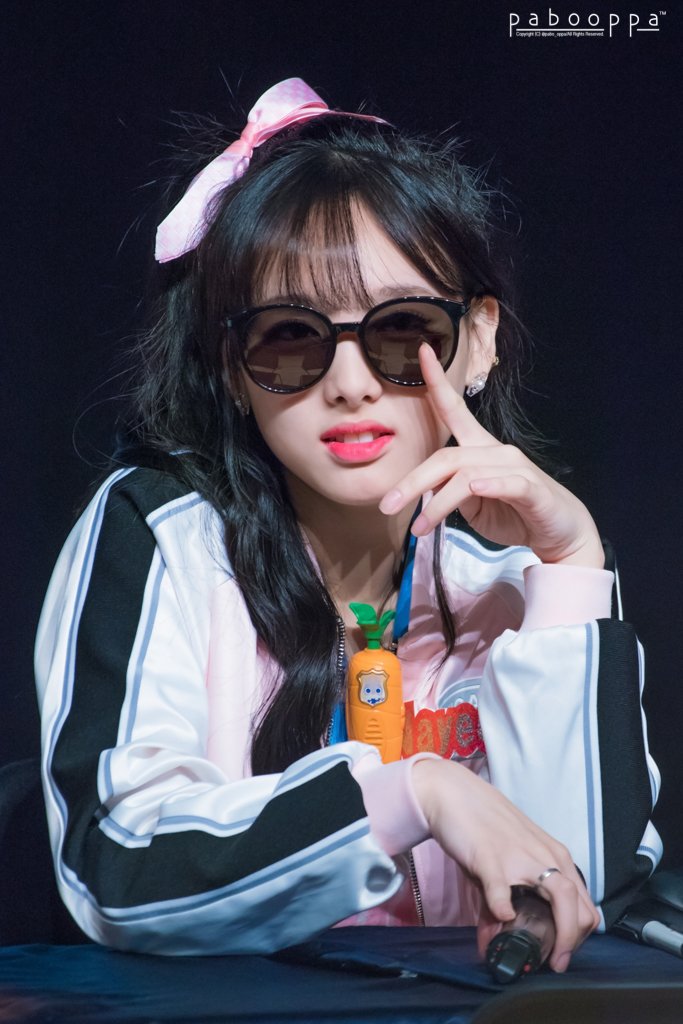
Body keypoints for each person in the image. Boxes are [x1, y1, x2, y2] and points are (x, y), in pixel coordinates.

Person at [35, 78, 660, 968]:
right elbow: (120, 867)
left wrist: (567, 570)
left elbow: (579, 893)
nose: (351, 383)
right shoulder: (161, 533)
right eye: (290, 337)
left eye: (403, 331)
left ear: (478, 340)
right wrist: (413, 792)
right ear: (230, 367)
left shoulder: (522, 565)